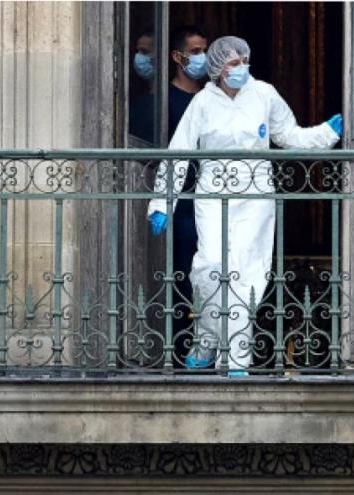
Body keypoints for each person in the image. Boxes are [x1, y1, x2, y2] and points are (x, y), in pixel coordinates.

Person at [147, 35, 343, 376]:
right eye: (233, 63)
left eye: (244, 61)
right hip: (213, 193)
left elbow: (288, 135)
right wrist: (162, 202)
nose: (241, 68)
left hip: (255, 194)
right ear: (218, 68)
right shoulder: (203, 102)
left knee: (246, 273)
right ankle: (207, 339)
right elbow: (179, 151)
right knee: (209, 265)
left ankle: (235, 358)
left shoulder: (264, 94)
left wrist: (325, 133)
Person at [156, 25, 207, 363]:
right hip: (182, 201)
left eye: (205, 50)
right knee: (183, 275)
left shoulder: (211, 98)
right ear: (178, 57)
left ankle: (211, 347)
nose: (203, 57)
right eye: (196, 51)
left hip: (212, 196)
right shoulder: (164, 100)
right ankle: (180, 349)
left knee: (213, 273)